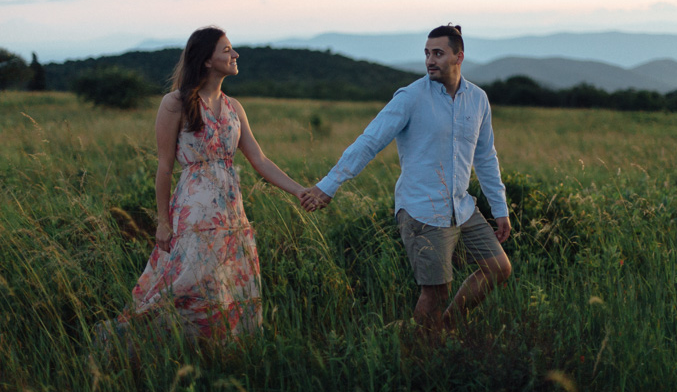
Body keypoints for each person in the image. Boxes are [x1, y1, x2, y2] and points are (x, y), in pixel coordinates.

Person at [96, 26, 308, 347]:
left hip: (231, 215)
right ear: (207, 61)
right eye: (226, 50)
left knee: (222, 290)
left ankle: (216, 354)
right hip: (193, 215)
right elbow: (165, 167)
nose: (235, 55)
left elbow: (260, 160)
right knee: (186, 287)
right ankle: (142, 346)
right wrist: (163, 222)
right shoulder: (176, 103)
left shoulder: (234, 107)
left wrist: (300, 191)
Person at [302, 24, 512, 332]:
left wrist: (500, 208)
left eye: (438, 53)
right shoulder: (410, 97)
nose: (430, 60)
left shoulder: (478, 99)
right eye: (427, 53)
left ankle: (444, 329)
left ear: (459, 56)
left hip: (462, 207)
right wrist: (328, 186)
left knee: (498, 268)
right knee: (436, 291)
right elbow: (369, 142)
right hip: (422, 208)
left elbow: (485, 157)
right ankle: (416, 355)